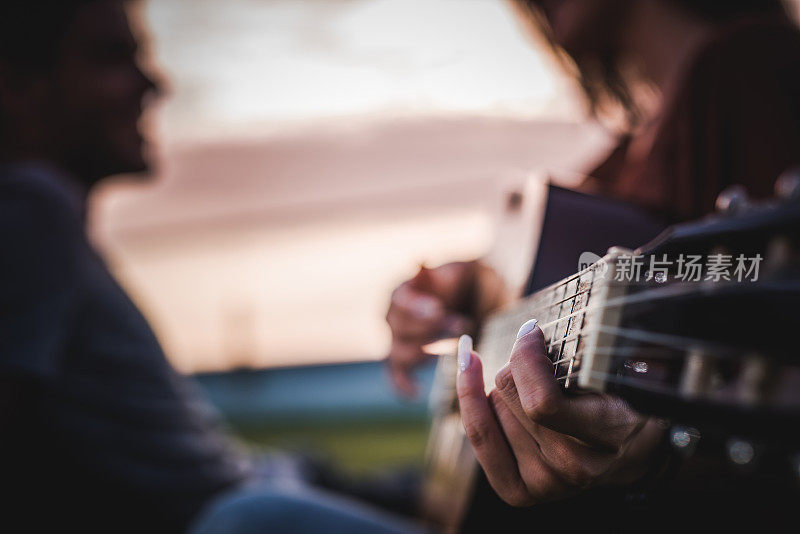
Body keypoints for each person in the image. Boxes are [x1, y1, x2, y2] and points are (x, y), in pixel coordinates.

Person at [0, 1, 422, 532]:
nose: (153, 86)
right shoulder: (28, 210)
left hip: (282, 481)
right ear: (15, 84)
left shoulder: (46, 223)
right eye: (111, 58)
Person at [386, 0, 800, 527]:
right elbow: (540, 269)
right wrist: (460, 288)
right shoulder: (625, 157)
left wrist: (651, 460)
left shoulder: (749, 65)